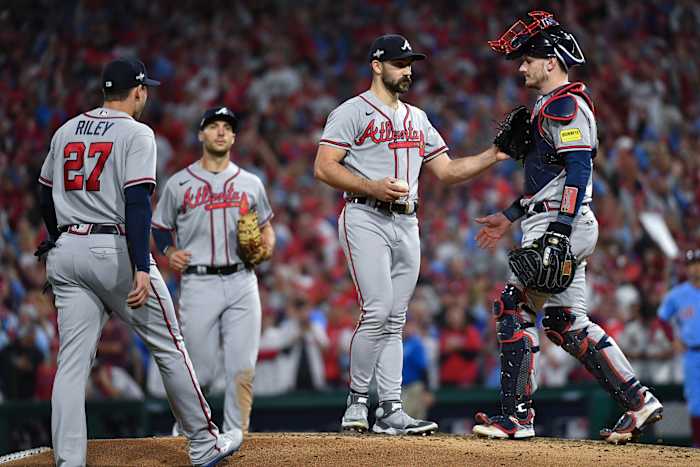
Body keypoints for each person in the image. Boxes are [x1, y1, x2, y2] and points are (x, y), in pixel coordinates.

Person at [37, 58, 241, 466]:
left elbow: (44, 194)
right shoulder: (136, 132)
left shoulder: (65, 130)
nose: (145, 94)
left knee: (72, 363)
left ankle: (69, 461)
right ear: (138, 91)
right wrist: (141, 266)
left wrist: (59, 238)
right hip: (111, 249)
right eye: (144, 88)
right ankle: (203, 443)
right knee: (169, 345)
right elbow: (136, 203)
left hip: (66, 250)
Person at [471, 11, 663, 444]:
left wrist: (558, 231)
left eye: (527, 59)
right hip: (556, 217)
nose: (521, 67)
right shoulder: (548, 106)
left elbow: (579, 171)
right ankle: (637, 401)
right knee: (563, 320)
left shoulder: (564, 104)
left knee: (512, 305)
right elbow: (549, 180)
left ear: (551, 62)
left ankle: (516, 416)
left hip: (562, 222)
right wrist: (511, 215)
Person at [314, 33, 508, 435]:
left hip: (407, 222)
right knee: (379, 309)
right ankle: (356, 402)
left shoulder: (417, 117)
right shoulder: (351, 112)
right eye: (400, 64)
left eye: (410, 64)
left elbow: (448, 171)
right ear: (377, 66)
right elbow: (324, 166)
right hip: (364, 215)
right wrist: (370, 186)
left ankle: (391, 409)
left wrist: (494, 155)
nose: (407, 71)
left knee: (396, 319)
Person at [152, 106, 275, 433]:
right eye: (214, 126)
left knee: (242, 368)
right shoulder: (178, 183)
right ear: (201, 135)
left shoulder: (251, 183)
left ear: (234, 137)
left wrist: (266, 247)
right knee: (200, 372)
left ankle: (238, 437)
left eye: (227, 127)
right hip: (199, 282)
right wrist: (169, 250)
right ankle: (189, 432)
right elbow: (160, 227)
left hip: (242, 279)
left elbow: (266, 228)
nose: (221, 131)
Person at [658, 249, 700, 447]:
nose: (695, 268)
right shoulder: (678, 294)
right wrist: (673, 340)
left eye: (698, 263)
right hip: (692, 353)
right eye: (692, 264)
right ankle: (698, 447)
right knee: (696, 403)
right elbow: (663, 318)